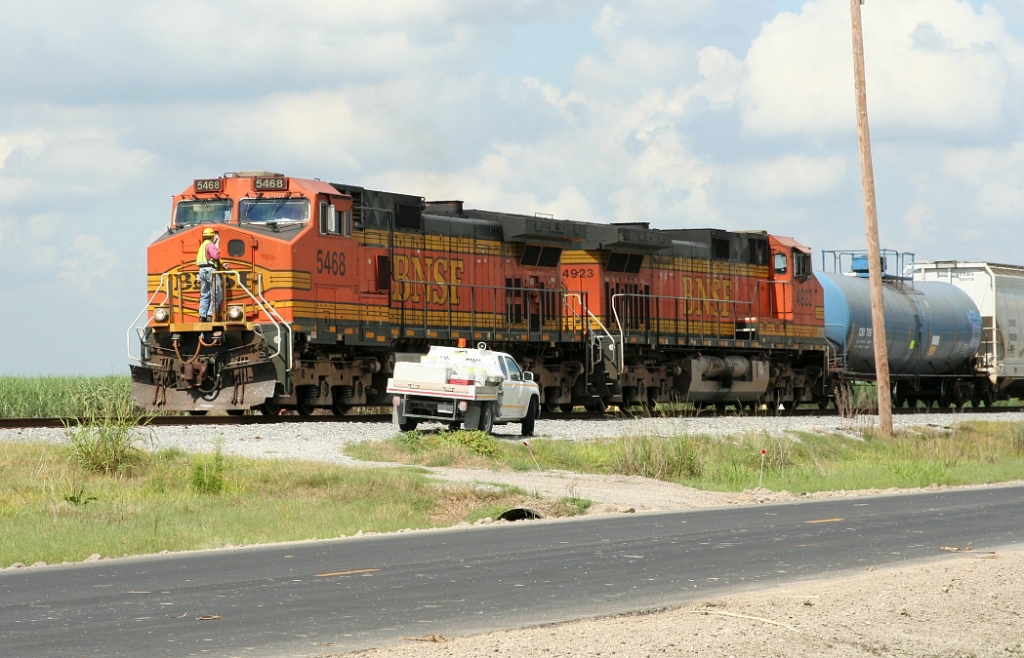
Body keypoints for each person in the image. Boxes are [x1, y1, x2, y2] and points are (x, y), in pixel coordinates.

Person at [195, 227, 226, 322]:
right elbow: (216, 256)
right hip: (210, 271)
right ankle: (210, 314)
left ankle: (202, 315)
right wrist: (218, 249)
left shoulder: (202, 246)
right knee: (217, 293)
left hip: (202, 271)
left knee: (205, 294)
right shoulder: (210, 245)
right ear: (212, 237)